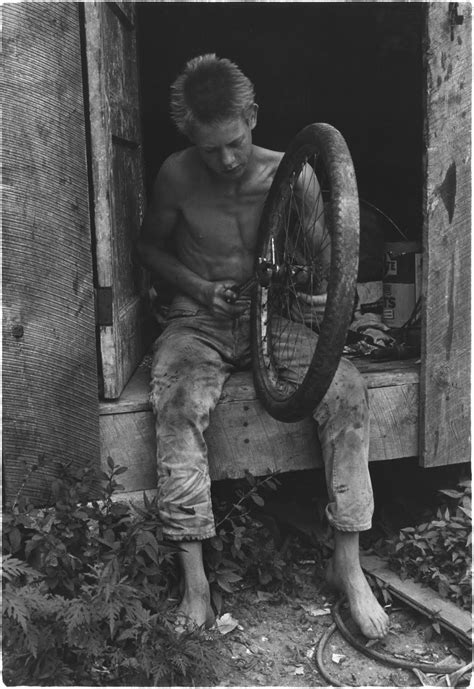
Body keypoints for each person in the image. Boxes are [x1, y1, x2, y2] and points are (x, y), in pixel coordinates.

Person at [137, 54, 389, 640]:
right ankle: (195, 586)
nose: (225, 160)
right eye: (209, 149)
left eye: (235, 142)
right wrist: (202, 288)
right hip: (198, 320)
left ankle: (347, 566)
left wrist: (319, 295)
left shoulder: (291, 172)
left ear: (253, 116)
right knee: (177, 404)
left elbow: (323, 265)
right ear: (189, 140)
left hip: (279, 319)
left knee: (347, 392)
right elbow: (147, 249)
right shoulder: (176, 175)